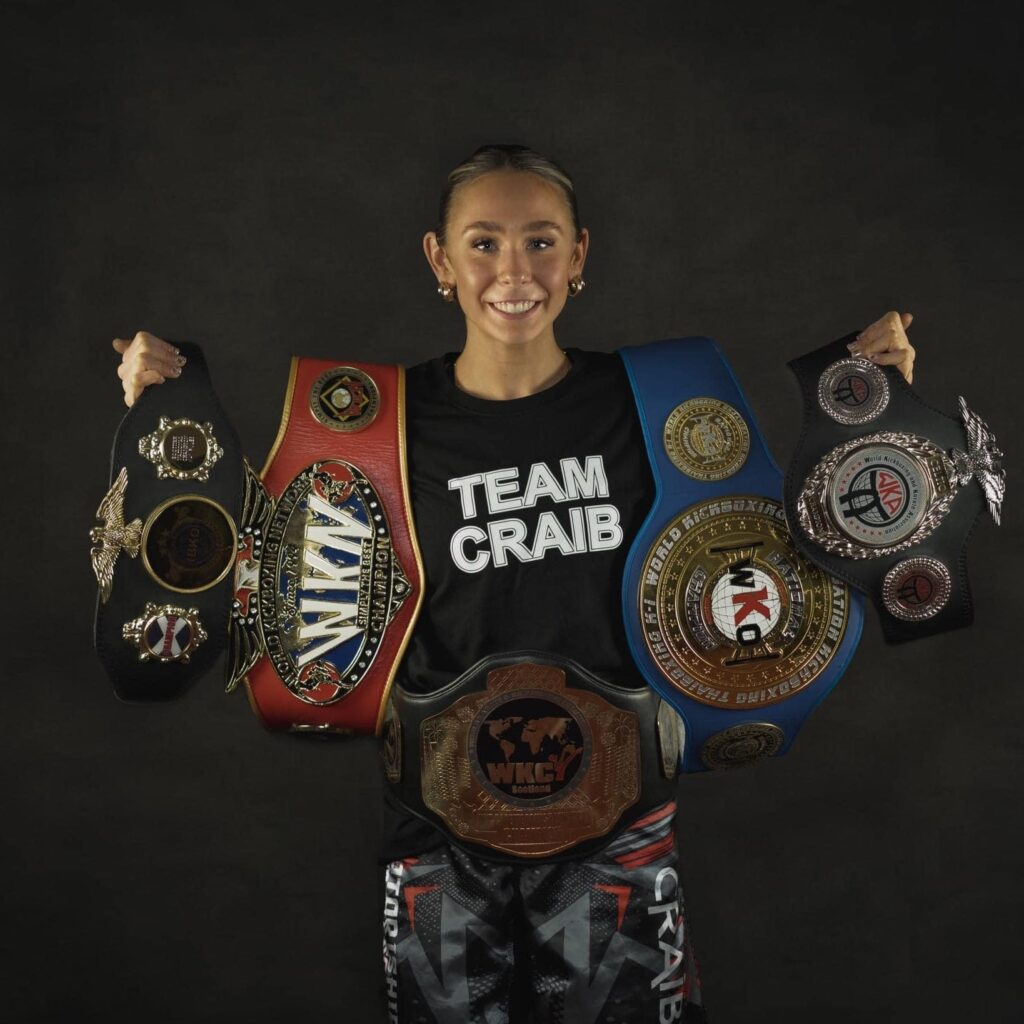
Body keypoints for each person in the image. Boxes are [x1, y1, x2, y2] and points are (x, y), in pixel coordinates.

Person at [111, 144, 917, 1023]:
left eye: (540, 242)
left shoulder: (653, 402)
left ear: (578, 257)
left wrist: (871, 425)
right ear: (440, 261)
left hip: (623, 829)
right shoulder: (374, 423)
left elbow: (782, 565)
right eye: (484, 243)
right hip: (434, 836)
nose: (513, 270)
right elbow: (243, 579)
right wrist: (164, 416)